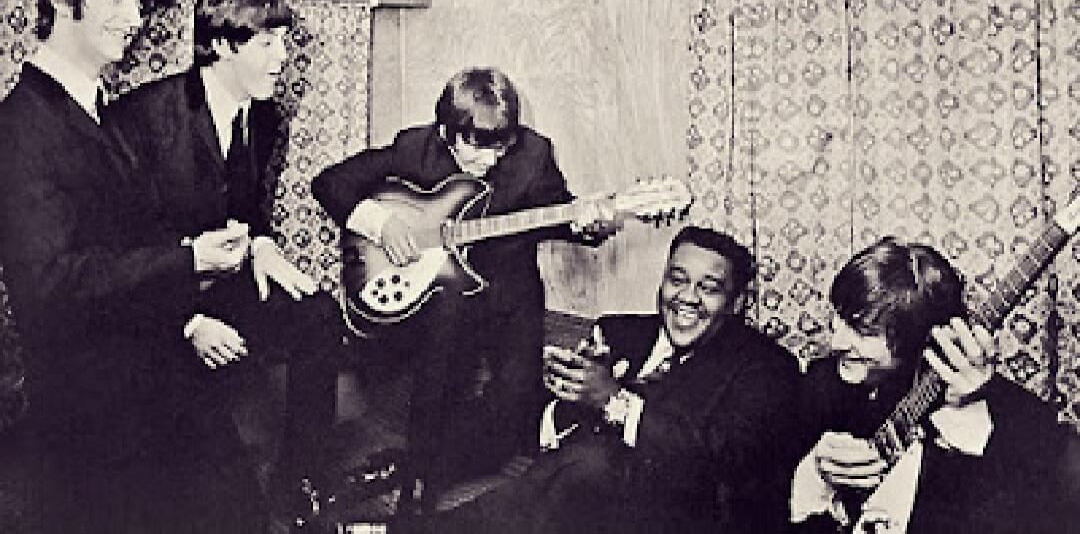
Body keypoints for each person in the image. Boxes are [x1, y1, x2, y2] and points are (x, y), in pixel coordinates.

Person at [0, 0, 264, 534]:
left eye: (136, 2)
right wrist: (185, 260)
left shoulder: (95, 111)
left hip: (148, 369)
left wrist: (188, 313)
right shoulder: (20, 128)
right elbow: (50, 283)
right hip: (91, 410)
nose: (136, 18)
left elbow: (126, 238)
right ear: (61, 1)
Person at [312, 67, 615, 505]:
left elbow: (561, 214)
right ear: (445, 130)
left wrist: (590, 225)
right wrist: (384, 223)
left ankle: (445, 464)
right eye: (476, 148)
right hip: (441, 298)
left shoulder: (533, 155)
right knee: (440, 372)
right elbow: (330, 184)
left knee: (515, 405)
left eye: (501, 146)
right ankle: (417, 482)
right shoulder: (414, 148)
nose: (490, 160)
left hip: (509, 291)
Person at [105, 0, 345, 513]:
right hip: (153, 307)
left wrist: (261, 243)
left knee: (318, 314)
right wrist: (187, 323)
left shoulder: (262, 115)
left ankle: (300, 478)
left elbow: (247, 209)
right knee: (210, 496)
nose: (282, 57)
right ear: (218, 46)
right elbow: (120, 253)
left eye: (282, 41)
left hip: (222, 286)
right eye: (266, 43)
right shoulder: (141, 118)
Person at [382, 225, 801, 534]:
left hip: (680, 518)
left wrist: (613, 400)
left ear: (737, 302)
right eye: (677, 279)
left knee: (593, 464)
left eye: (709, 288)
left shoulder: (768, 368)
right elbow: (545, 431)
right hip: (576, 502)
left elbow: (716, 460)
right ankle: (387, 485)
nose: (687, 298)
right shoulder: (620, 332)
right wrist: (565, 396)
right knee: (512, 428)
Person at [789, 236, 1077, 534]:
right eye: (839, 318)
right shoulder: (823, 386)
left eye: (863, 331)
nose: (836, 343)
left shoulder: (1021, 421)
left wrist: (968, 429)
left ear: (921, 339)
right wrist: (815, 477)